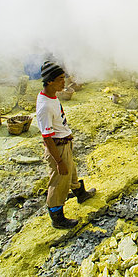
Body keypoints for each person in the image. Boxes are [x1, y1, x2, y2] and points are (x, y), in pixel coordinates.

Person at [36, 61, 96, 229]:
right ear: (49, 81)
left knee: (71, 172)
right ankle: (57, 217)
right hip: (57, 147)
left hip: (64, 143)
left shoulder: (51, 96)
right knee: (59, 181)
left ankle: (81, 194)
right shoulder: (45, 106)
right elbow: (47, 138)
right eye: (61, 79)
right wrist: (59, 161)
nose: (64, 82)